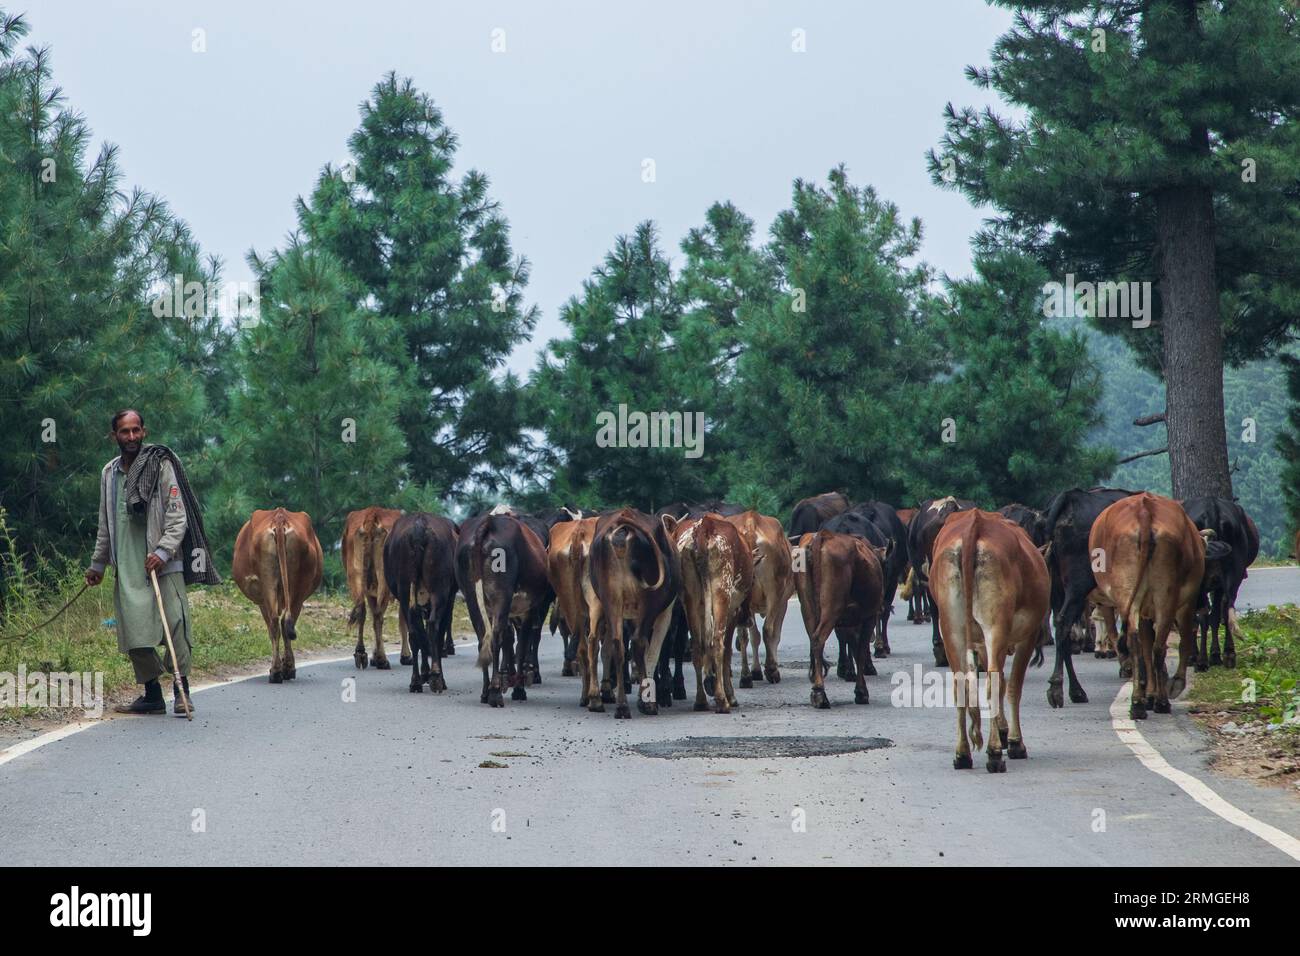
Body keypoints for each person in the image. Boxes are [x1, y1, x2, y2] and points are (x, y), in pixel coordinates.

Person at [85, 410, 196, 716]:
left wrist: (162, 552)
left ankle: (181, 691)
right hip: (129, 566)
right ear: (114, 436)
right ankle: (152, 694)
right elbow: (105, 524)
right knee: (134, 631)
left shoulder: (160, 466)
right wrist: (98, 564)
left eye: (136, 430)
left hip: (163, 562)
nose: (131, 437)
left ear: (144, 432)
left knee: (175, 625)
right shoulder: (109, 474)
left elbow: (177, 517)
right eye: (124, 432)